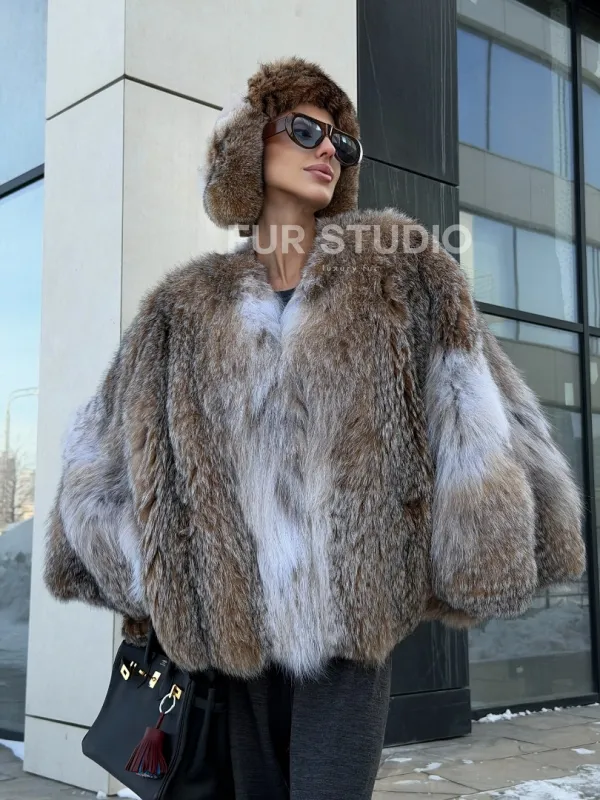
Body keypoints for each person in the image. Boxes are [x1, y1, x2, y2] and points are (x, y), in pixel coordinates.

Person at [43, 56, 586, 800]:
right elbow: (99, 464)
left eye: (342, 141)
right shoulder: (182, 308)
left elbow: (478, 410)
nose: (329, 148)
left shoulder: (401, 271)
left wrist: (483, 546)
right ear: (248, 145)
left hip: (350, 626)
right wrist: (160, 579)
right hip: (229, 640)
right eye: (304, 130)